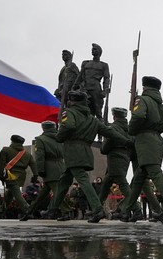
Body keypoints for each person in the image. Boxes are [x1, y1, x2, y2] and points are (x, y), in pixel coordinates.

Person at [116, 76, 163, 224]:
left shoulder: (142, 100)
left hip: (145, 141)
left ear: (145, 87)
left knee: (157, 176)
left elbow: (137, 115)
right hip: (157, 142)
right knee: (139, 179)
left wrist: (131, 130)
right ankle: (125, 211)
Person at [46, 89, 118, 223]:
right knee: (64, 182)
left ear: (72, 101)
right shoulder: (92, 119)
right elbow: (109, 132)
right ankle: (53, 209)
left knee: (82, 179)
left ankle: (97, 209)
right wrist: (125, 140)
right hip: (83, 150)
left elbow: (68, 126)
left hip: (73, 151)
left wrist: (59, 137)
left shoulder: (70, 112)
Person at [22, 121, 65, 220]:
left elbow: (40, 156)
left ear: (43, 128)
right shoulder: (60, 138)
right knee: (42, 194)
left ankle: (65, 211)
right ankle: (29, 211)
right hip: (61, 165)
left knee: (57, 192)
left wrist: (40, 170)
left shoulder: (41, 139)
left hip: (49, 167)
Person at [98, 107, 135, 216]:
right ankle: (97, 208)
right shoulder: (129, 129)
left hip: (115, 157)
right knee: (106, 183)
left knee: (122, 183)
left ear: (114, 116)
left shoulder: (113, 127)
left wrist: (103, 148)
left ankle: (136, 210)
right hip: (126, 157)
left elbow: (107, 144)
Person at [0, 134, 37, 218]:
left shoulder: (5, 150)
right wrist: (35, 175)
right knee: (10, 194)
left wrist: (0, 176)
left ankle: (27, 210)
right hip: (22, 176)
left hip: (10, 175)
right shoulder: (27, 154)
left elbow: (0, 164)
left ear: (12, 141)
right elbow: (33, 165)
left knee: (16, 194)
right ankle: (1, 211)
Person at [80, 43, 110, 116]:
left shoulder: (103, 65)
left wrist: (104, 91)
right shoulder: (85, 63)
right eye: (92, 49)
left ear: (99, 52)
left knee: (98, 110)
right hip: (85, 89)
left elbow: (106, 78)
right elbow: (80, 76)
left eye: (95, 49)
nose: (93, 51)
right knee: (84, 110)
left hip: (96, 89)